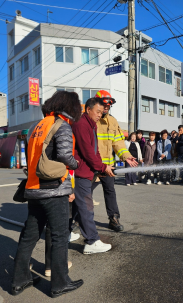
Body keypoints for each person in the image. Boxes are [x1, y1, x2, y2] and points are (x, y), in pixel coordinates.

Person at [12, 91, 83, 298]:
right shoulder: (62, 126)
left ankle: (19, 280)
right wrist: (77, 164)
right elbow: (64, 155)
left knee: (29, 235)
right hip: (54, 190)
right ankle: (60, 283)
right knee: (60, 236)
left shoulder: (37, 126)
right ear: (70, 107)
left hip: (34, 189)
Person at [71, 97, 115, 254]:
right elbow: (87, 152)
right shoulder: (81, 124)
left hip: (87, 171)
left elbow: (94, 150)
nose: (100, 115)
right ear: (87, 110)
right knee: (86, 206)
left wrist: (101, 166)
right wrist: (102, 167)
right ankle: (91, 241)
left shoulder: (92, 125)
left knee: (77, 205)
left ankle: (67, 232)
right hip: (81, 173)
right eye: (98, 111)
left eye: (102, 112)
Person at [91, 90, 137, 232]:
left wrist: (126, 156)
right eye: (104, 106)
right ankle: (75, 219)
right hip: (91, 166)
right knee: (84, 194)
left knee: (110, 191)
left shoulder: (113, 121)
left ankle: (114, 218)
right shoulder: (90, 119)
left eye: (108, 107)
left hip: (107, 166)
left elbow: (118, 143)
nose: (106, 109)